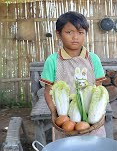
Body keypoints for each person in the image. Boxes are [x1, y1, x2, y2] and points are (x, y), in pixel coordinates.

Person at [40, 11, 107, 140]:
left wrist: (98, 113)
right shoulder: (53, 61)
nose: (75, 37)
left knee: (94, 150)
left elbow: (99, 88)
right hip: (64, 116)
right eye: (69, 32)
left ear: (85, 34)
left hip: (90, 117)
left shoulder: (93, 59)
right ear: (58, 34)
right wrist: (55, 113)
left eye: (80, 32)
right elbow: (48, 90)